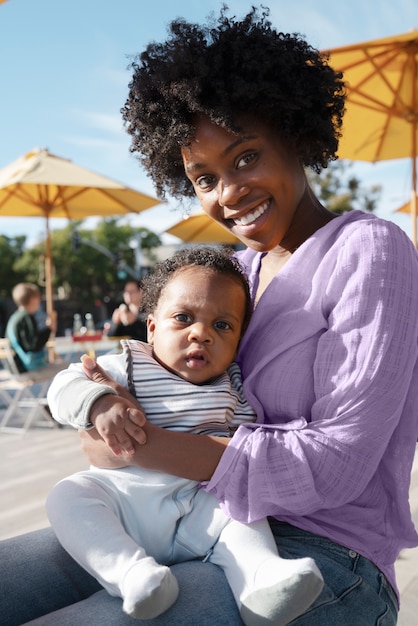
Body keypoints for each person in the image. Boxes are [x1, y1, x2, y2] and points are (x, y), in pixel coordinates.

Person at [1, 6, 417, 625]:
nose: (228, 192)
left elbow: (338, 466)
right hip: (171, 515)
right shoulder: (231, 277)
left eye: (246, 157)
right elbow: (103, 449)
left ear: (295, 135)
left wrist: (145, 444)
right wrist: (107, 411)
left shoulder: (371, 251)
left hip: (326, 556)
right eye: (203, 177)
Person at [46, 246, 323, 625]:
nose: (201, 334)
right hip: (124, 501)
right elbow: (63, 384)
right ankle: (132, 575)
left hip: (197, 505)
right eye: (183, 318)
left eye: (222, 325)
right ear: (152, 326)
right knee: (69, 495)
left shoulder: (234, 387)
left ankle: (261, 579)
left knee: (241, 512)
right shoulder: (127, 365)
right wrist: (97, 403)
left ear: (239, 342)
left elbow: (249, 444)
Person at [5, 282, 62, 374]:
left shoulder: (15, 317)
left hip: (15, 368)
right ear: (33, 299)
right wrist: (49, 329)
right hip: (27, 368)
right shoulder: (26, 318)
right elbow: (34, 345)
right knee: (69, 369)